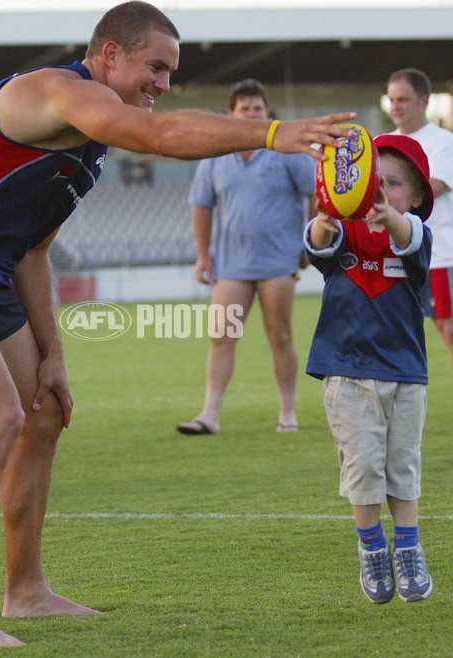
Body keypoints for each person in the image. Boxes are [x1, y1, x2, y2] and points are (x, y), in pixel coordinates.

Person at [0, 0, 357, 647]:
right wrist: (271, 133)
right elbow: (157, 137)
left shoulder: (88, 144)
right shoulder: (58, 93)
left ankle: (27, 592)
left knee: (40, 412)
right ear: (109, 56)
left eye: (170, 72)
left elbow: (35, 252)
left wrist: (53, 356)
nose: (163, 83)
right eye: (155, 66)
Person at [305, 134, 434, 604]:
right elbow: (317, 243)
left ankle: (408, 546)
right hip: (346, 371)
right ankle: (371, 547)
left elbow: (408, 237)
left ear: (417, 196)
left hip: (405, 372)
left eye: (394, 184)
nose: (381, 191)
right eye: (375, 180)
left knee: (402, 464)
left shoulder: (416, 235)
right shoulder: (344, 230)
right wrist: (324, 216)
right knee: (363, 467)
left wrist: (390, 217)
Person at [176, 79, 314, 436]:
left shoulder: (287, 151)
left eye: (257, 108)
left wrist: (310, 242)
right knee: (221, 336)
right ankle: (209, 414)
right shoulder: (216, 155)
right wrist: (203, 254)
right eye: (245, 109)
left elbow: (314, 195)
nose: (252, 114)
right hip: (231, 265)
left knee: (280, 336)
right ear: (231, 115)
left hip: (279, 263)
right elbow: (201, 205)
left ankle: (287, 413)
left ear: (267, 113)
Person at [386, 68, 453, 364]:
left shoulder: (443, 141)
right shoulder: (384, 143)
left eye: (403, 99)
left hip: (437, 253)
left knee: (448, 329)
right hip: (391, 253)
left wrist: (383, 199)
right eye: (392, 100)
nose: (396, 106)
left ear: (423, 101)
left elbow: (431, 190)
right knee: (393, 332)